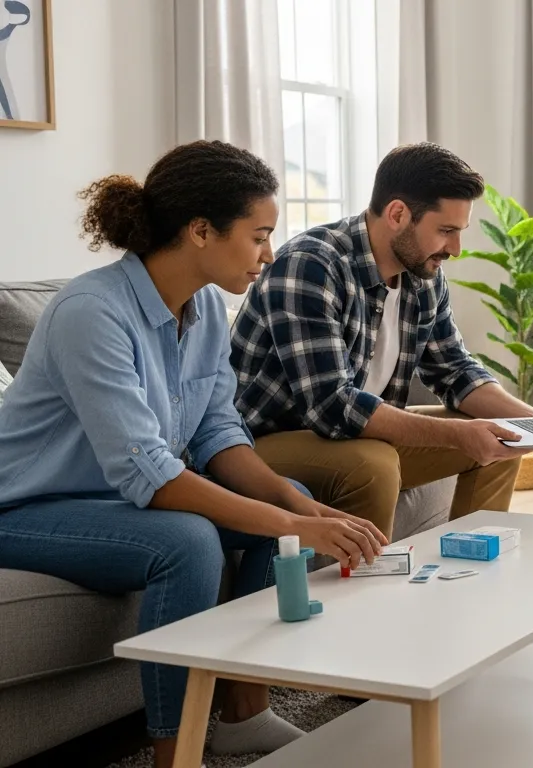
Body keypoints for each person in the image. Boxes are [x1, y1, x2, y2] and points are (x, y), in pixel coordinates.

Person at [0, 140, 387, 768]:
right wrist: (290, 523)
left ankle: (243, 715)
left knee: (291, 503)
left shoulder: (205, 305)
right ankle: (174, 755)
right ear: (201, 230)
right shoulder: (90, 313)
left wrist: (296, 507)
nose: (269, 254)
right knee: (189, 541)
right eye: (259, 236)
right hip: (24, 509)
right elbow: (150, 474)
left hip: (113, 502)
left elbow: (215, 431)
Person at [229, 142, 533, 539]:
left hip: (349, 435)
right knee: (373, 462)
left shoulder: (423, 277)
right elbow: (332, 407)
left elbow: (455, 372)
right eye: (445, 231)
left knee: (504, 437)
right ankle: (369, 578)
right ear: (397, 214)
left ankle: (470, 569)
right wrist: (457, 434)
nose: (455, 249)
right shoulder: (311, 265)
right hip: (259, 445)